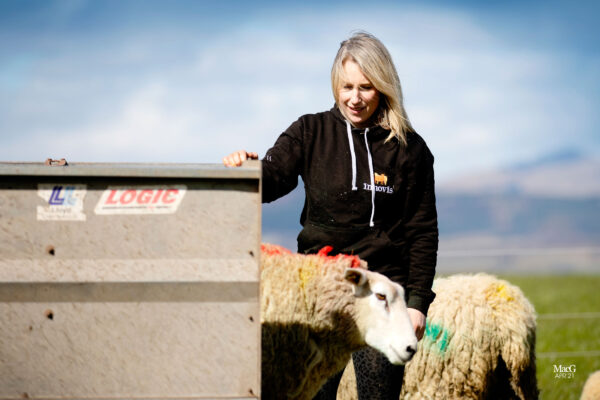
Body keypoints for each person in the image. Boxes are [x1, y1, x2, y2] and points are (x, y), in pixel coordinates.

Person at [223, 31, 438, 400]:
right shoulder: (311, 131)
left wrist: (416, 304)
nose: (354, 98)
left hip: (381, 293)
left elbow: (422, 231)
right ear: (335, 86)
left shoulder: (410, 149)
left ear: (384, 87)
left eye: (366, 88)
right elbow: (273, 177)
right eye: (347, 87)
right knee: (313, 396)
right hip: (323, 294)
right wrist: (245, 169)